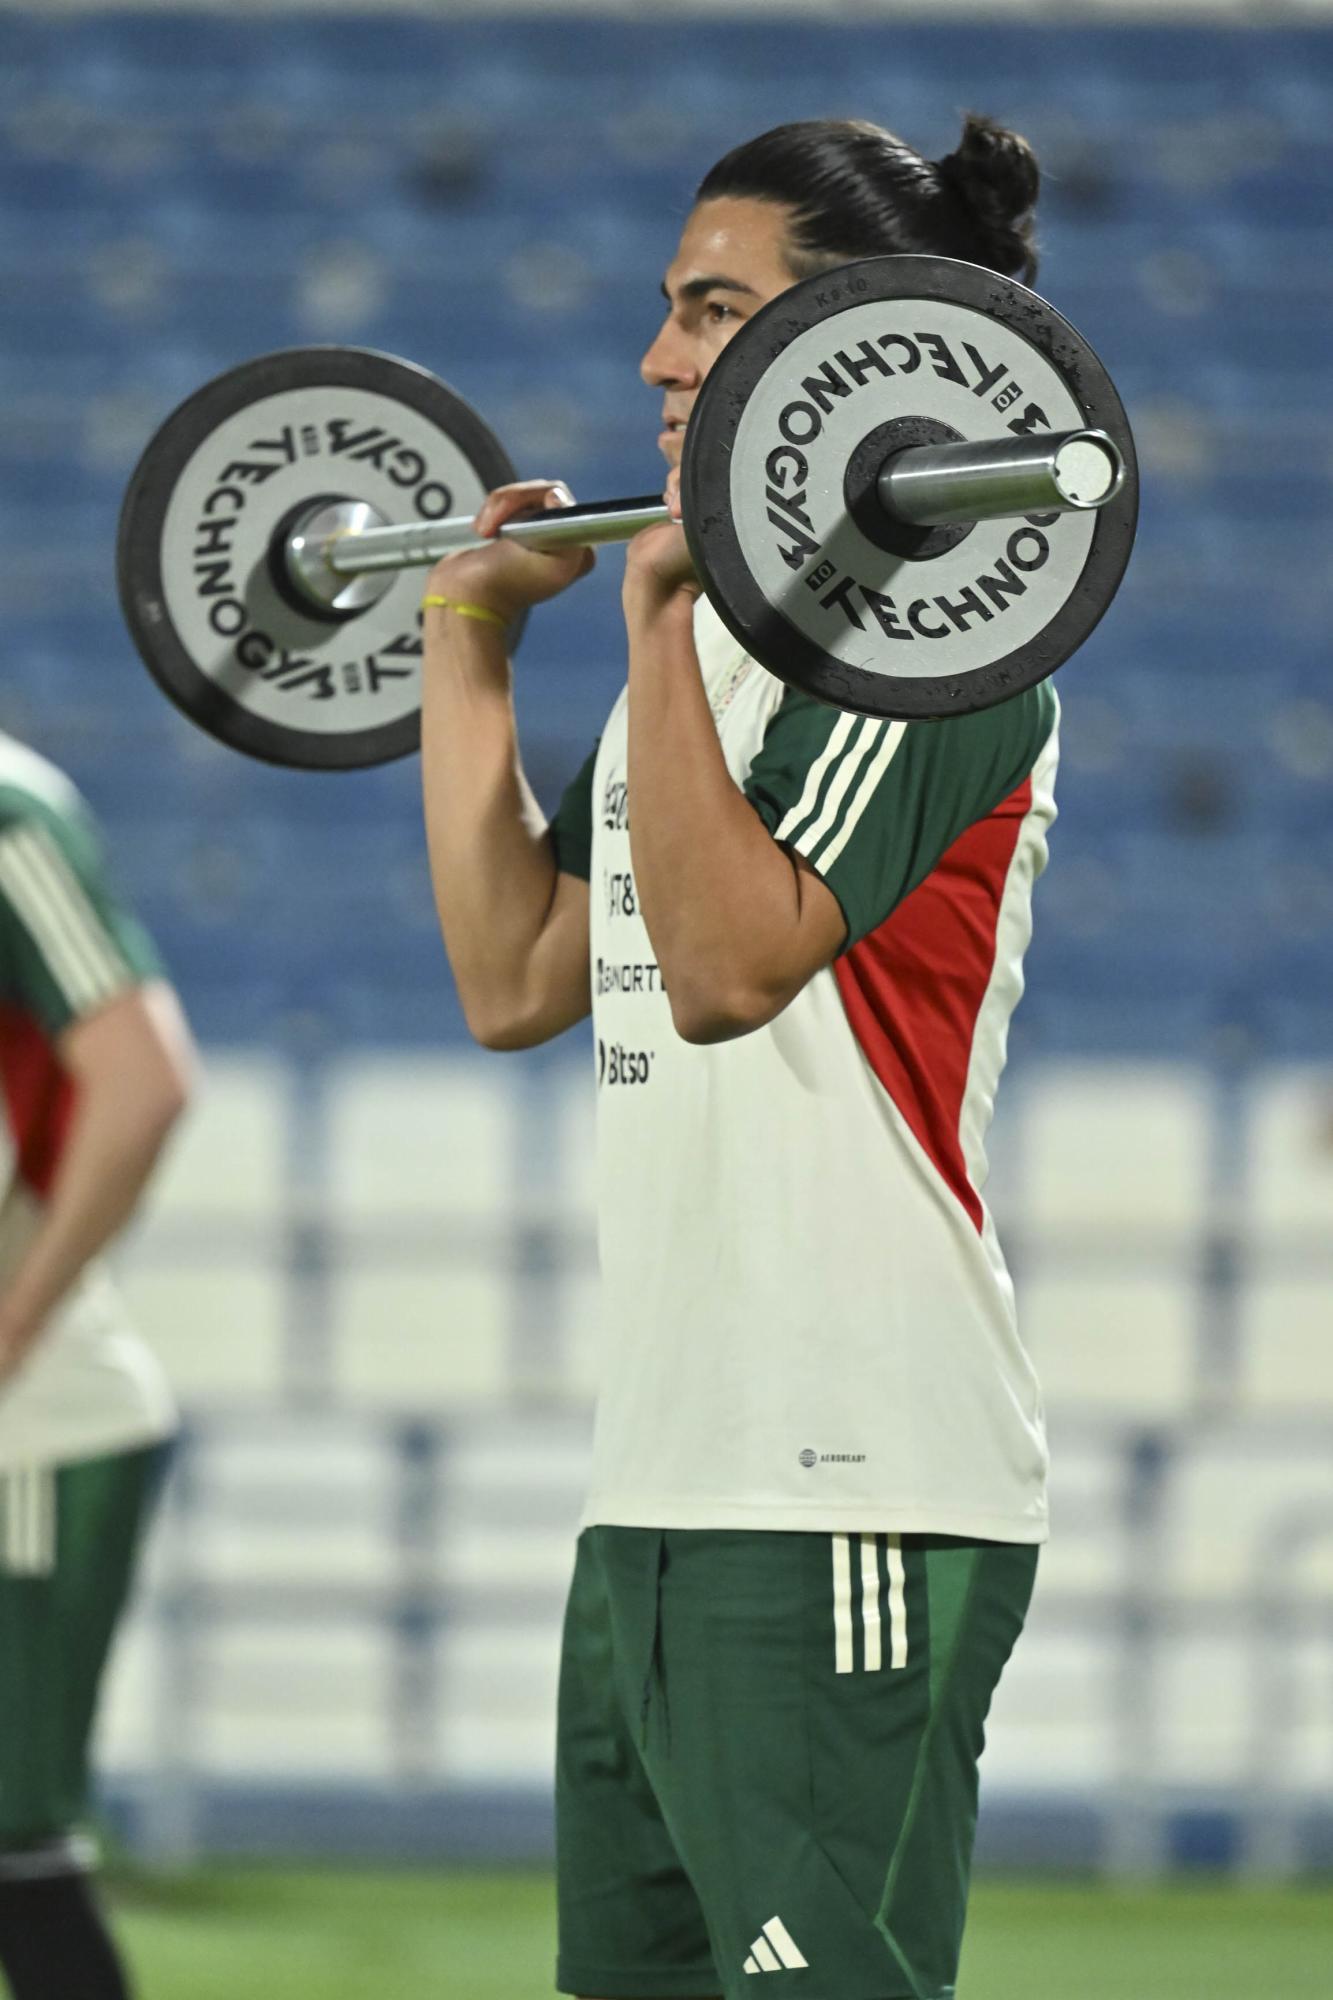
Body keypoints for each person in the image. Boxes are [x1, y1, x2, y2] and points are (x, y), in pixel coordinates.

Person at [422, 115, 1056, 2000]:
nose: (656, 358)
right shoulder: (703, 664)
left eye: (710, 310)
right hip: (664, 1492)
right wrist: (465, 644)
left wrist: (651, 617)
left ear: (840, 349)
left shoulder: (940, 644)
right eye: (664, 311)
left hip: (846, 1474)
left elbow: (717, 972)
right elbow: (519, 978)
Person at [0, 728, 195, 2000]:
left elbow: (143, 1080)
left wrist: (11, 1330)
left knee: (16, 1853)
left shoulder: (9, 814)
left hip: (32, 1430)